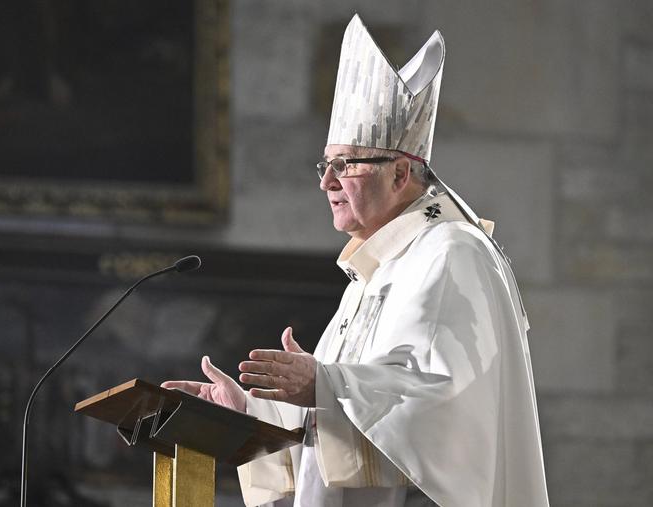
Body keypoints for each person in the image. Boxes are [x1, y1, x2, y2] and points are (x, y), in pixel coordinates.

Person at [162, 14, 550, 507]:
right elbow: (342, 419)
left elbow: (443, 407)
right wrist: (247, 415)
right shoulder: (373, 273)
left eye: (345, 165)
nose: (326, 183)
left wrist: (322, 382)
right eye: (326, 166)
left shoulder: (453, 253)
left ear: (401, 173)